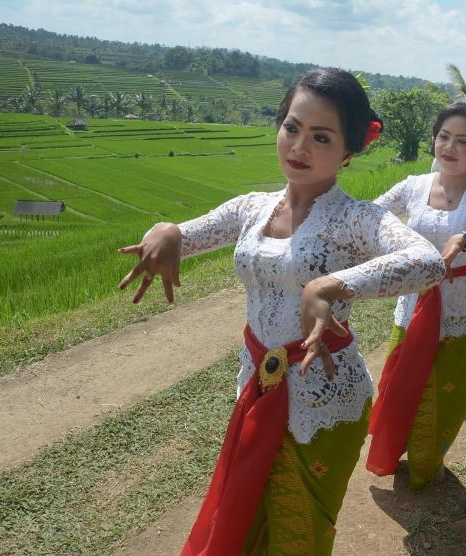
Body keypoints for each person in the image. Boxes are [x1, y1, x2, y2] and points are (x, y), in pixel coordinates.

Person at [118, 68, 446, 556]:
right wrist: (167, 231)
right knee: (247, 516)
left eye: (321, 137)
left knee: (299, 535)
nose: (300, 146)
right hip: (257, 382)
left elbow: (428, 262)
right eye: (292, 128)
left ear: (349, 150)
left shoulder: (357, 218)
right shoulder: (253, 208)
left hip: (325, 398)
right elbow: (190, 234)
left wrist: (331, 284)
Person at [366, 98, 466, 491]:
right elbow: (370, 214)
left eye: (462, 141)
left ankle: (427, 462)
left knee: (446, 393)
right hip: (414, 303)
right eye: (443, 137)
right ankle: (392, 451)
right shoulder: (415, 186)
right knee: (403, 380)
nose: (449, 148)